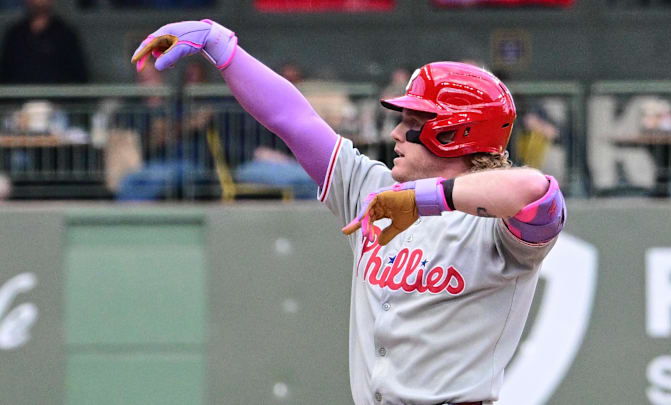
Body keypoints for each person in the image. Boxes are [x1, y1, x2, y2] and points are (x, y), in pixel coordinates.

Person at [131, 20, 565, 404]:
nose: (396, 132)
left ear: (455, 132)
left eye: (413, 123)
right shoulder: (373, 187)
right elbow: (292, 118)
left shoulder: (496, 225)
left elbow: (534, 189)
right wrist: (221, 45)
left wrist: (421, 200)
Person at [0, 0, 88, 84]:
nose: (39, 1)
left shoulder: (66, 34)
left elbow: (79, 76)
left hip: (57, 97)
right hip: (21, 97)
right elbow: (5, 75)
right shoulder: (15, 34)